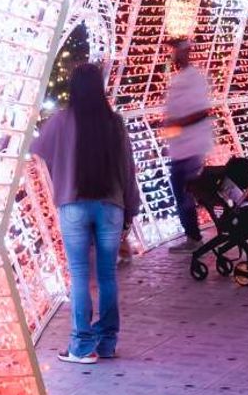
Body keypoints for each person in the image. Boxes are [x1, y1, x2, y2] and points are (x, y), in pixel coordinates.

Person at [31, 61, 143, 365]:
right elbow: (127, 169)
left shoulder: (60, 121)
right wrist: (131, 208)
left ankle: (81, 346)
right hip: (111, 207)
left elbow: (36, 148)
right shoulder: (114, 123)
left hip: (74, 205)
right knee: (107, 275)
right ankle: (107, 342)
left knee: (80, 275)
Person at [158, 38, 214, 244]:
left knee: (185, 192)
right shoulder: (181, 78)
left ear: (185, 53)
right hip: (181, 147)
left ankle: (193, 237)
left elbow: (201, 111)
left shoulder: (194, 78)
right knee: (184, 192)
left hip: (190, 148)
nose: (172, 56)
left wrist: (177, 123)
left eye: (175, 51)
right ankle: (192, 235)